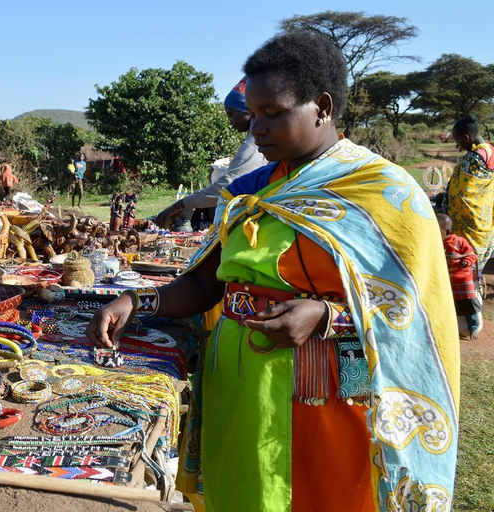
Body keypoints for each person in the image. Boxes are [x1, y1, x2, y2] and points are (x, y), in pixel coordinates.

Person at [87, 31, 459, 512]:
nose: (256, 129)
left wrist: (325, 316)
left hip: (323, 398)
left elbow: (416, 317)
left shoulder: (384, 194)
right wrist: (137, 302)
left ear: (322, 107)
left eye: (273, 113)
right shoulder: (252, 189)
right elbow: (206, 282)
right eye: (254, 115)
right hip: (238, 385)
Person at [154, 78, 267, 231]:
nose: (230, 121)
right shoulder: (257, 137)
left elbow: (230, 186)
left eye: (231, 114)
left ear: (248, 111)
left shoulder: (256, 142)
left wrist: (181, 204)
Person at [443, 113, 494, 269]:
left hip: (468, 226)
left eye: (459, 142)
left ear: (467, 137)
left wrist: (445, 199)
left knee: (463, 261)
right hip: (484, 222)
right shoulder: (491, 150)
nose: (459, 147)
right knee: (475, 267)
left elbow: (461, 193)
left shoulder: (473, 158)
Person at [438, 213, 482, 338]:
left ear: (447, 231)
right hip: (449, 281)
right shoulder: (438, 244)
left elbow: (472, 255)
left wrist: (466, 261)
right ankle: (454, 328)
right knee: (454, 305)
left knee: (469, 305)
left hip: (463, 280)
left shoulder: (459, 242)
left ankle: (473, 328)